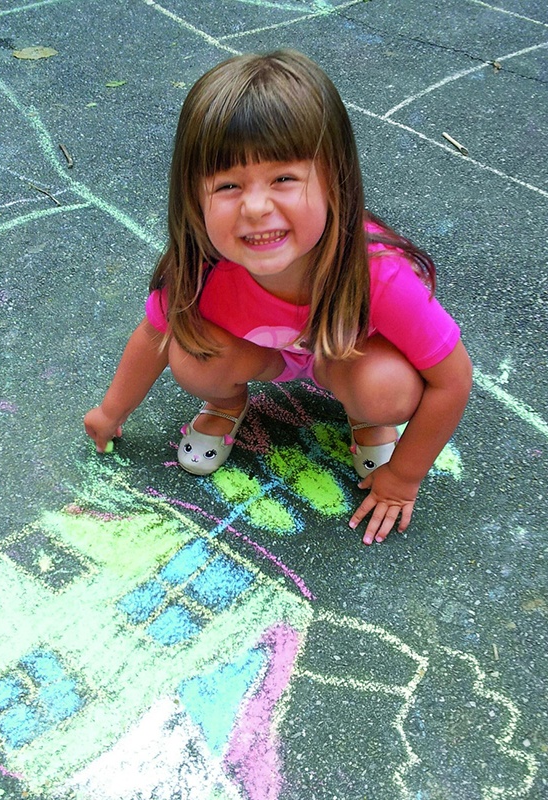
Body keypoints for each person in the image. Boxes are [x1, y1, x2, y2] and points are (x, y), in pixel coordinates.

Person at [84, 49, 473, 545]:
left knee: (389, 391)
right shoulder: (203, 268)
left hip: (345, 357)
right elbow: (152, 335)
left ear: (334, 179)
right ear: (193, 196)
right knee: (189, 353)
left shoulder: (378, 275)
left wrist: (404, 477)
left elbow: (453, 379)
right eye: (228, 185)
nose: (255, 207)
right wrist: (111, 411)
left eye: (284, 178)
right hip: (262, 354)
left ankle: (362, 415)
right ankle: (227, 403)